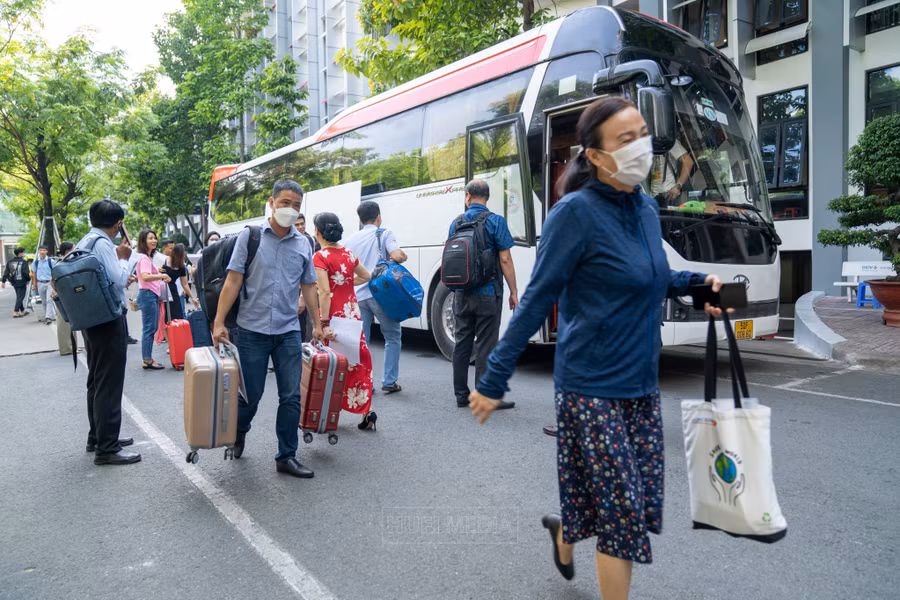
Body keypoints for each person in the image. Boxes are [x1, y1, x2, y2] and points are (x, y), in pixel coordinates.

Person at [468, 97, 726, 600]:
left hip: (640, 384)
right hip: (590, 387)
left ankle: (565, 534)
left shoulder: (646, 208)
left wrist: (699, 285)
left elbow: (652, 275)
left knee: (621, 499)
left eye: (643, 134)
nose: (641, 147)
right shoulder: (575, 215)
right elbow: (537, 297)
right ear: (596, 154)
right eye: (625, 139)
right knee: (624, 513)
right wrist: (494, 379)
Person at [212, 179, 324, 479]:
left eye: (296, 206)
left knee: (291, 397)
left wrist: (317, 324)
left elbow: (309, 286)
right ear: (272, 203)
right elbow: (233, 281)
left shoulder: (304, 243)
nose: (290, 209)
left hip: (288, 331)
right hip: (251, 332)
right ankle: (240, 429)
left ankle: (286, 455)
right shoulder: (250, 237)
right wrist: (219, 321)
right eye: (285, 203)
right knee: (252, 395)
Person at [76, 200, 140, 465]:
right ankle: (107, 448)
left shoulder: (86, 241)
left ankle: (98, 436)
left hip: (91, 318)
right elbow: (118, 280)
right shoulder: (103, 244)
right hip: (108, 319)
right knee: (109, 383)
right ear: (118, 224)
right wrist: (125, 259)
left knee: (97, 379)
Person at [448, 179, 518, 410]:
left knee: (462, 343)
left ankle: (461, 395)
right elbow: (505, 258)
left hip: (462, 293)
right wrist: (514, 291)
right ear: (487, 197)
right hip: (488, 293)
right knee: (486, 345)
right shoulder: (495, 221)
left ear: (468, 196)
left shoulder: (456, 222)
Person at [312, 212, 376, 430]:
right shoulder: (349, 253)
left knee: (332, 363)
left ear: (317, 232)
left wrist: (324, 322)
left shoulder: (320, 257)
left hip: (334, 315)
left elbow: (324, 291)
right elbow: (366, 276)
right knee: (357, 359)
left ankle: (330, 412)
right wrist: (347, 281)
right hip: (352, 314)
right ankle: (365, 413)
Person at [344, 200, 408, 394]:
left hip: (358, 297)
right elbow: (397, 255)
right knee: (392, 336)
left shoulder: (350, 240)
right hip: (381, 295)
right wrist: (402, 256)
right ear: (378, 217)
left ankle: (366, 384)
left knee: (363, 342)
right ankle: (389, 381)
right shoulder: (384, 233)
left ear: (360, 219)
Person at [135, 230, 170, 370]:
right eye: (150, 238)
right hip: (148, 295)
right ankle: (147, 360)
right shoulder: (144, 258)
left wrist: (157, 271)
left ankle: (147, 358)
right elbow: (145, 276)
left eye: (155, 238)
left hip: (150, 295)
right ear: (143, 241)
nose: (154, 240)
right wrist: (163, 276)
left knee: (151, 327)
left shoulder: (147, 258)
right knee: (149, 328)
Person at [648, 136, 694, 208]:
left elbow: (688, 162)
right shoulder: (650, 143)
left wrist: (678, 186)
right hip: (654, 196)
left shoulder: (670, 142)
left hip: (669, 196)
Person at [294, 215, 319, 342]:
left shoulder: (309, 240)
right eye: (297, 225)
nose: (301, 227)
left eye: (302, 223)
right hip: (293, 290)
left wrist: (302, 296)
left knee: (306, 326)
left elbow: (308, 270)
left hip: (306, 288)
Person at [160, 243, 199, 321]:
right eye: (182, 255)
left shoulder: (181, 266)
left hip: (173, 292)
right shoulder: (163, 260)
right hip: (162, 290)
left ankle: (175, 332)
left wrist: (193, 297)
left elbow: (185, 284)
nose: (183, 257)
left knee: (177, 316)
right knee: (163, 317)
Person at [51, 242, 76, 355]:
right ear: (67, 251)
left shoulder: (66, 262)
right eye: (73, 249)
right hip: (63, 296)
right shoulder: (60, 264)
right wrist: (58, 291)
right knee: (64, 323)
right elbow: (52, 281)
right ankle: (65, 348)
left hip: (69, 295)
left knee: (71, 322)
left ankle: (72, 346)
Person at [31, 245, 57, 324]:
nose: (42, 252)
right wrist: (34, 284)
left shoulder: (51, 261)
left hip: (50, 283)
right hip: (40, 283)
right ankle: (49, 315)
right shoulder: (36, 262)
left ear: (47, 251)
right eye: (41, 250)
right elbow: (34, 273)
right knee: (44, 301)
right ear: (38, 251)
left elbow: (55, 272)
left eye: (44, 250)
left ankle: (48, 317)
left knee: (49, 300)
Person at [2, 247, 30, 317]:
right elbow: (25, 273)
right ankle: (15, 311)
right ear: (20, 253)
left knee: (19, 296)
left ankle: (23, 311)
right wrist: (28, 280)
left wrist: (3, 281)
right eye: (23, 252)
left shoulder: (10, 262)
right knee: (21, 296)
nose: (23, 254)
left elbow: (6, 272)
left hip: (14, 282)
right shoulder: (23, 262)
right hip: (22, 281)